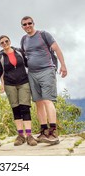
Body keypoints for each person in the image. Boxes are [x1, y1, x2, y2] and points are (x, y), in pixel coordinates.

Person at [20, 16, 68, 145]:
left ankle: (53, 132)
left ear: (33, 23)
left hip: (47, 70)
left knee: (47, 100)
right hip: (32, 73)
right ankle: (43, 131)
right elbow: (25, 56)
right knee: (38, 102)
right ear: (22, 27)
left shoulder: (43, 34)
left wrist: (63, 65)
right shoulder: (24, 40)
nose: (27, 26)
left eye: (29, 23)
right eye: (24, 24)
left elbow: (57, 49)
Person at [0, 35, 37, 146]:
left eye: (6, 41)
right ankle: (20, 136)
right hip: (10, 85)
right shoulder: (0, 56)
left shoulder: (19, 52)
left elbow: (28, 64)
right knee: (16, 109)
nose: (5, 43)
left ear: (10, 41)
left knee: (25, 108)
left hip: (24, 82)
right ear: (0, 45)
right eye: (2, 42)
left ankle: (29, 135)